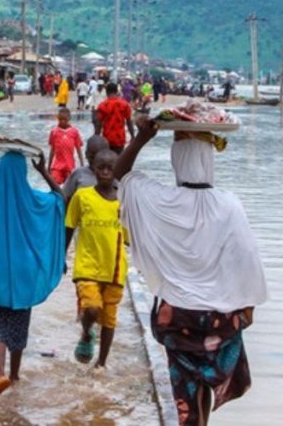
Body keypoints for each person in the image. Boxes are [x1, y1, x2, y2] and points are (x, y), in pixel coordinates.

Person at [113, 117, 268, 426]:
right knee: (204, 389)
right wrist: (247, 307)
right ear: (209, 159)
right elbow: (245, 257)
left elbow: (121, 176)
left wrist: (142, 138)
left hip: (177, 317)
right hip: (219, 318)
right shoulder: (229, 205)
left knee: (186, 394)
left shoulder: (159, 200)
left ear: (176, 159)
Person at [0, 149, 65, 397]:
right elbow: (61, 199)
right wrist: (44, 172)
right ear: (23, 173)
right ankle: (14, 374)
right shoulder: (33, 200)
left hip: (0, 274)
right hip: (26, 273)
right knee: (20, 323)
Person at [64, 148, 127, 370]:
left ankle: (101, 363)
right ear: (94, 169)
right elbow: (69, 226)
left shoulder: (123, 201)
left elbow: (130, 237)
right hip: (87, 266)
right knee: (91, 308)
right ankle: (86, 332)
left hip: (115, 269)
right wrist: (61, 257)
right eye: (101, 167)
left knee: (109, 319)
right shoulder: (83, 197)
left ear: (117, 170)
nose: (106, 172)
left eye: (111, 168)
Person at [93, 82, 135, 154]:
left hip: (106, 138)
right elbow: (129, 122)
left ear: (106, 92)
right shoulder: (124, 104)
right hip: (120, 138)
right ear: (117, 91)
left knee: (108, 161)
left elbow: (99, 124)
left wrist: (96, 137)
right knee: (118, 161)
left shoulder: (102, 105)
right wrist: (133, 136)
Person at [48, 107, 83, 185]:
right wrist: (49, 166)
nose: (63, 122)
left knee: (69, 188)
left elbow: (78, 149)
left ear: (69, 118)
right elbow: (52, 150)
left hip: (70, 166)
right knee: (54, 184)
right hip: (57, 166)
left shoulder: (74, 132)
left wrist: (82, 165)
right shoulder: (54, 132)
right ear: (58, 118)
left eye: (65, 119)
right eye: (60, 119)